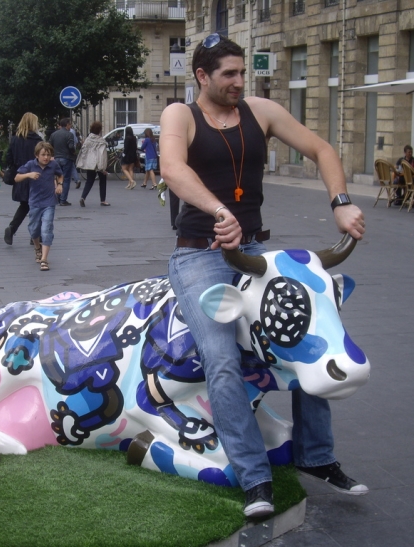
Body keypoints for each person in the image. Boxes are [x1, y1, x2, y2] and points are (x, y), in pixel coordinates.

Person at [159, 33, 367, 519]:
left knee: (303, 337)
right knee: (222, 359)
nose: (238, 81)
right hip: (199, 255)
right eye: (228, 74)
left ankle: (316, 456)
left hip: (254, 251)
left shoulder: (260, 111)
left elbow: (321, 149)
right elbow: (172, 168)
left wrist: (341, 202)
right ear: (202, 77)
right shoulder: (180, 115)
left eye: (241, 72)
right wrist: (217, 211)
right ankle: (255, 478)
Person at [15, 142, 63, 271]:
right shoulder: (31, 165)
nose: (46, 158)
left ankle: (44, 259)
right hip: (35, 202)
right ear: (37, 155)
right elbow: (17, 178)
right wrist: (29, 175)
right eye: (43, 155)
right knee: (34, 229)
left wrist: (59, 185)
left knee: (46, 229)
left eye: (48, 155)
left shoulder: (53, 165)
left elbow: (60, 174)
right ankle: (37, 248)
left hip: (49, 202)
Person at [3, 112, 43, 245]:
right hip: (34, 176)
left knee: (25, 205)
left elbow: (8, 158)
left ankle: (12, 228)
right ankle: (35, 235)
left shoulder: (15, 139)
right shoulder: (38, 140)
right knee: (37, 206)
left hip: (20, 176)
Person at [75, 121, 110, 207]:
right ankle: (103, 200)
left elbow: (83, 152)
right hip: (99, 164)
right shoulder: (101, 141)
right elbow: (102, 155)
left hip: (90, 164)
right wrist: (103, 168)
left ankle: (83, 197)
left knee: (89, 181)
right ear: (99, 130)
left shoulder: (87, 140)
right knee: (102, 181)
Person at [47, 118, 75, 205]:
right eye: (70, 124)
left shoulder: (54, 134)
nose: (70, 126)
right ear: (67, 125)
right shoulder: (69, 134)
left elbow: (49, 146)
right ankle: (63, 199)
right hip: (66, 158)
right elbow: (71, 147)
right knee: (66, 179)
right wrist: (73, 151)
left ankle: (57, 197)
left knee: (58, 178)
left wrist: (52, 155)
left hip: (56, 158)